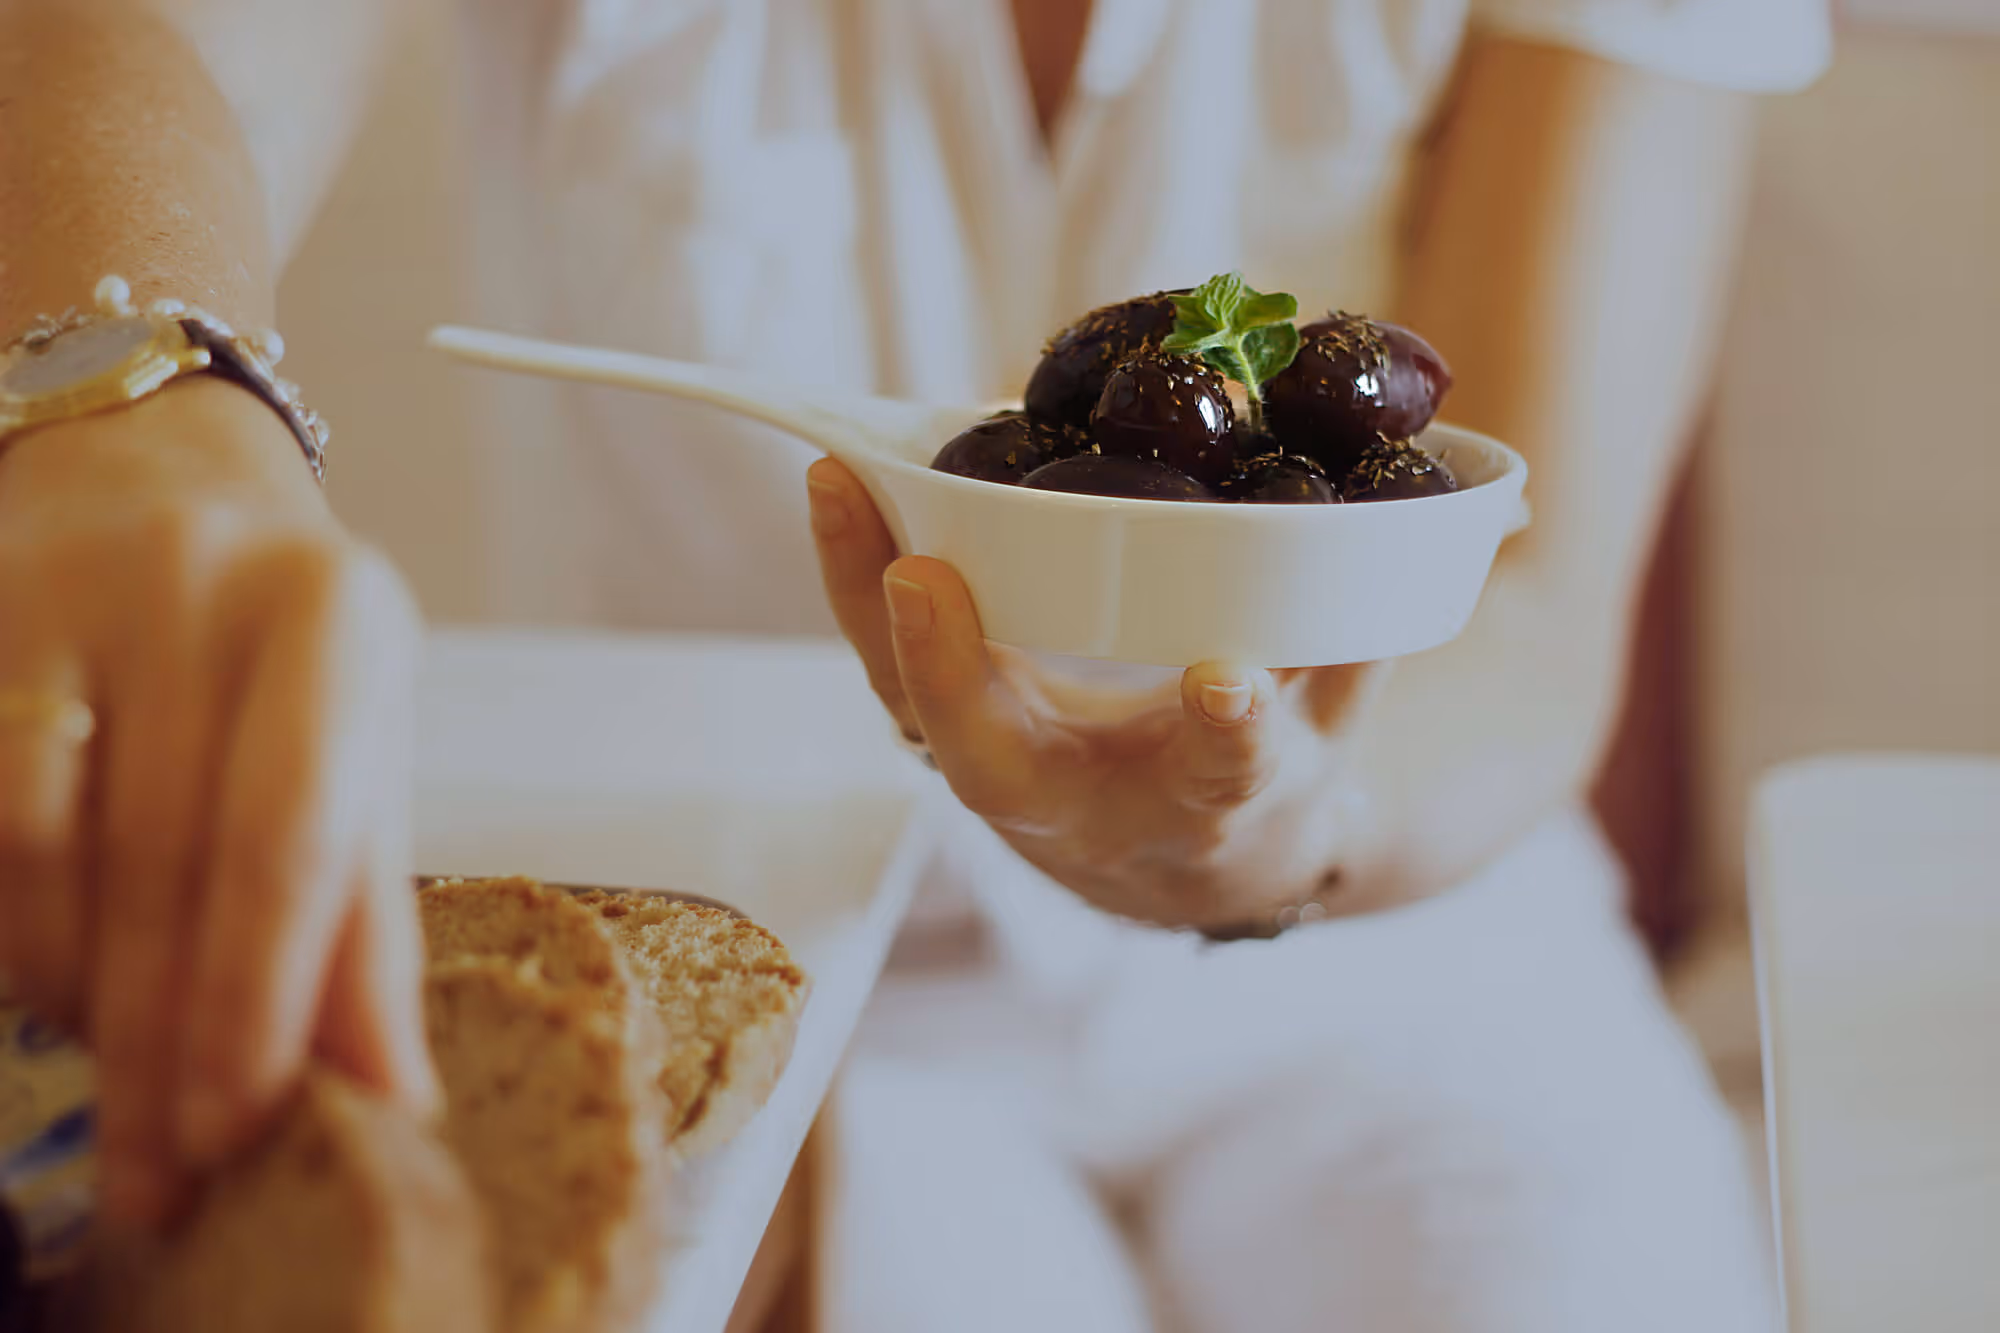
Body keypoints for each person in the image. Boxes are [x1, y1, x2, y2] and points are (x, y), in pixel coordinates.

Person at [0, 1, 1829, 1328]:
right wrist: (141, 393)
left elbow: (1528, 613)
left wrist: (1293, 828)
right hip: (803, 968)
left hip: (1412, 954)